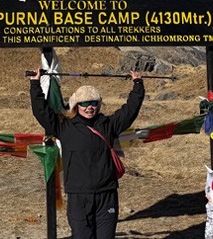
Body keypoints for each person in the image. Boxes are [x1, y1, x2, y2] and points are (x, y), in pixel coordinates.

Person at [29, 69, 144, 239]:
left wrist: (138, 85)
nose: (89, 107)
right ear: (76, 105)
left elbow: (130, 111)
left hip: (107, 194)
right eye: (84, 103)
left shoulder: (108, 125)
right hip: (78, 196)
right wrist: (35, 84)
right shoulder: (64, 127)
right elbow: (41, 112)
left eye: (94, 102)